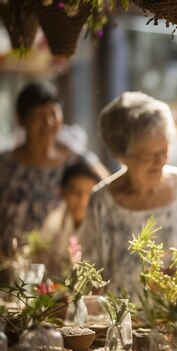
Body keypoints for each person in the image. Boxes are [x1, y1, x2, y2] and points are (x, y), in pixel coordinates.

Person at [79, 91, 177, 298]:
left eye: (165, 149)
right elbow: (89, 278)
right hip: (125, 327)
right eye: (149, 155)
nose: (161, 160)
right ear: (122, 155)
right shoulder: (101, 202)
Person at [0, 80, 102, 257]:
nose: (48, 123)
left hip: (61, 268)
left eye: (53, 114)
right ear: (20, 119)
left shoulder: (77, 161)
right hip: (9, 269)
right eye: (39, 116)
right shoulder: (5, 165)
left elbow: (106, 192)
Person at [39, 161, 102, 277]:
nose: (82, 200)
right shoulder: (54, 222)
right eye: (75, 192)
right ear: (63, 192)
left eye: (89, 193)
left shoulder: (101, 225)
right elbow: (41, 263)